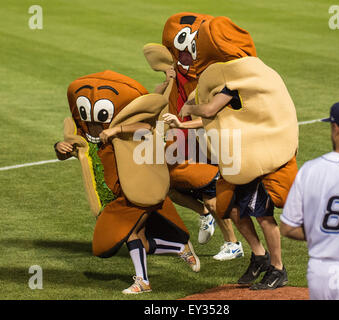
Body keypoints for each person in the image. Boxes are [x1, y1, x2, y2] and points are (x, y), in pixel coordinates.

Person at [179, 16, 299, 289]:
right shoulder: (234, 80)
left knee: (263, 215)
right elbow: (215, 115)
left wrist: (190, 109)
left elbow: (209, 110)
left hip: (258, 160)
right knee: (233, 210)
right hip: (240, 158)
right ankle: (259, 256)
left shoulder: (234, 84)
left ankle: (278, 269)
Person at [55, 70, 200, 295]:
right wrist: (59, 149)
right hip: (117, 196)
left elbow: (147, 128)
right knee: (139, 241)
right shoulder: (83, 138)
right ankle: (178, 248)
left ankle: (143, 282)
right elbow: (69, 152)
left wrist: (116, 129)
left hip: (138, 190)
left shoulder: (122, 130)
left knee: (128, 234)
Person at [146, 12, 244, 261]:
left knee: (212, 195)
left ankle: (233, 243)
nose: (188, 53)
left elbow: (215, 116)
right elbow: (157, 98)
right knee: (165, 185)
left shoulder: (211, 78)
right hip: (183, 140)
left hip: (208, 141)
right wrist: (165, 82)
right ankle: (204, 214)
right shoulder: (177, 71)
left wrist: (183, 124)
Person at [280, 100, 339, 300]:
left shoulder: (310, 170)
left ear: (335, 128)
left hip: (320, 273)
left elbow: (287, 228)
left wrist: (324, 234)